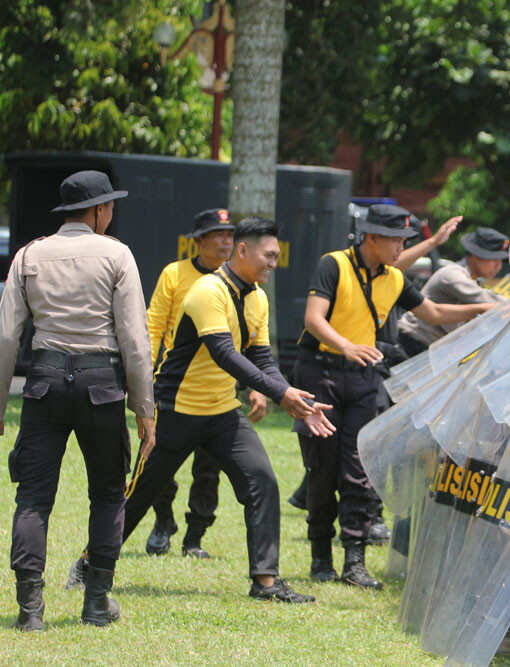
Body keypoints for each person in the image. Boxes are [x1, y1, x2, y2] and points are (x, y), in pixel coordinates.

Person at [71, 217, 335, 603]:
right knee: (140, 494)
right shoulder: (206, 291)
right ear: (243, 250)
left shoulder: (258, 297)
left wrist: (288, 391)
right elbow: (225, 354)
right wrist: (281, 395)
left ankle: (265, 582)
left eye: (277, 256)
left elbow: (261, 357)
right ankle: (89, 562)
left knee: (262, 481)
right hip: (175, 410)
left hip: (223, 412)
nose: (273, 263)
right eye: (269, 255)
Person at [295, 204, 495, 590]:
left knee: (359, 469)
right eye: (397, 241)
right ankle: (321, 557)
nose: (401, 247)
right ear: (372, 238)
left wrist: (485, 308)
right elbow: (313, 319)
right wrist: (347, 345)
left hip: (363, 378)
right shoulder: (332, 265)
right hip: (320, 374)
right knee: (322, 467)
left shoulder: (394, 278)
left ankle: (354, 562)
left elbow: (434, 313)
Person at [0, 170, 154, 629]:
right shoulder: (117, 255)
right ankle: (96, 602)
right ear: (99, 210)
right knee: (108, 493)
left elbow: (8, 336)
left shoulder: (28, 255)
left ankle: (30, 611)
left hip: (43, 381)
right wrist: (144, 409)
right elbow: (134, 339)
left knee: (32, 497)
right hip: (101, 384)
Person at [143, 208, 267, 559]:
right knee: (156, 463)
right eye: (218, 235)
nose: (226, 241)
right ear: (197, 241)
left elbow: (254, 341)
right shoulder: (175, 274)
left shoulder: (246, 286)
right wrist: (143, 379)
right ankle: (162, 521)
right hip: (175, 388)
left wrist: (258, 386)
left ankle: (195, 537)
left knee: (208, 469)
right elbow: (154, 326)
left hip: (220, 394)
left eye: (230, 236)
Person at [397, 226, 510, 356]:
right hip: (411, 343)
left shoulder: (474, 281)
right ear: (475, 255)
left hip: (431, 349)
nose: (498, 266)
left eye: (501, 260)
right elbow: (490, 302)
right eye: (493, 259)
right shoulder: (452, 275)